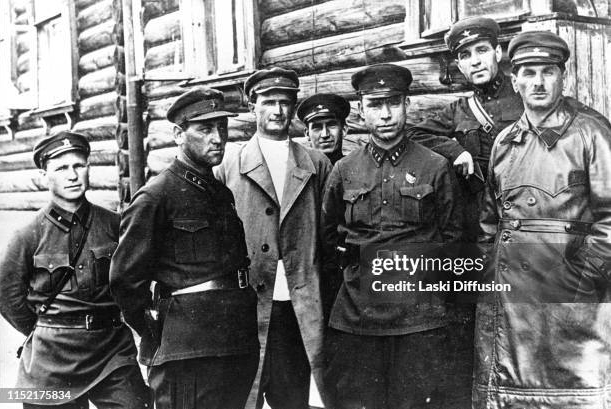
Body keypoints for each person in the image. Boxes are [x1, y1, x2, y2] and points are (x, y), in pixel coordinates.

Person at [474, 31, 611, 408]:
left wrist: (581, 285)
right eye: (528, 73)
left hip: (571, 316)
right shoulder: (505, 142)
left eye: (547, 72)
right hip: (510, 310)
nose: (538, 82)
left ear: (562, 76)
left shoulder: (591, 134)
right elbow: (490, 223)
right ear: (514, 81)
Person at [321, 63, 470, 409]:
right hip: (357, 318)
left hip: (419, 320)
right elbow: (330, 238)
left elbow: (452, 240)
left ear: (407, 105)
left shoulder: (435, 167)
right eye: (375, 104)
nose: (385, 114)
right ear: (361, 110)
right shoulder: (345, 170)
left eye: (393, 102)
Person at [109, 87, 259, 409]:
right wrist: (159, 329)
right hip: (187, 351)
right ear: (178, 134)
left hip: (234, 341)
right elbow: (124, 280)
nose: (217, 138)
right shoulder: (156, 196)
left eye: (221, 127)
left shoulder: (220, 194)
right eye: (205, 129)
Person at [0, 131, 150, 409]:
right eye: (61, 168)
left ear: (89, 168)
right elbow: (8, 297)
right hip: (52, 358)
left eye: (79, 165)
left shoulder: (115, 225)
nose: (72, 175)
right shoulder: (28, 235)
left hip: (111, 352)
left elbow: (132, 281)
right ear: (44, 176)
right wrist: (45, 329)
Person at [214, 67, 332, 409]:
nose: (277, 111)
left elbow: (326, 235)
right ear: (253, 106)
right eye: (268, 102)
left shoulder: (316, 163)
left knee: (292, 399)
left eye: (284, 102)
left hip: (298, 308)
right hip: (247, 308)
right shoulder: (230, 166)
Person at [407, 16, 523, 242]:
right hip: (479, 218)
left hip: (524, 208)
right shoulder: (459, 109)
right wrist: (455, 151)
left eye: (482, 50)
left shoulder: (523, 95)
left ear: (498, 53)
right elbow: (414, 133)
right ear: (460, 66)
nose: (476, 61)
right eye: (466, 56)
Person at [296, 93, 351, 165]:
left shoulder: (355, 168)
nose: (325, 134)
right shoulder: (299, 172)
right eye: (317, 127)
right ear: (307, 134)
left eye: (331, 125)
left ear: (344, 130)